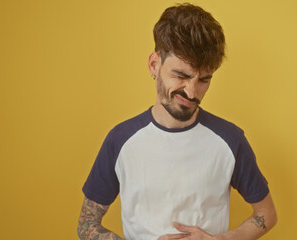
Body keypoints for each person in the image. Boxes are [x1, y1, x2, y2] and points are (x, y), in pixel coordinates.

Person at [77, 3, 277, 240]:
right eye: (181, 75)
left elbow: (267, 214)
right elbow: (86, 225)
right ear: (154, 64)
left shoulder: (230, 140)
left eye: (204, 79)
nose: (192, 92)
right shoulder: (120, 140)